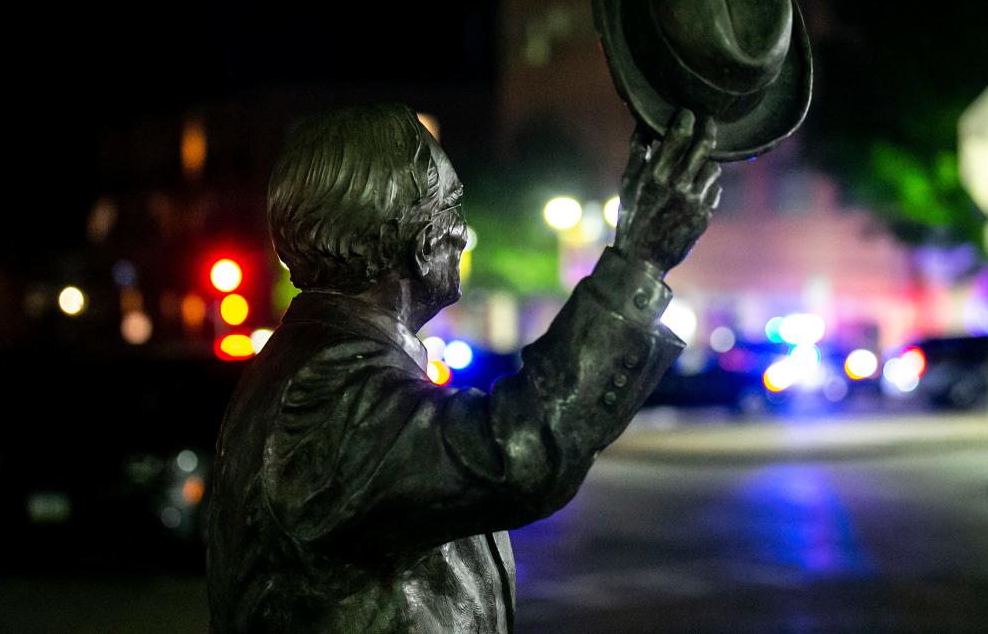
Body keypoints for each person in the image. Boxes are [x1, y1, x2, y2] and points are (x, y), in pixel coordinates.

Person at [206, 103, 719, 633]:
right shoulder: (321, 392)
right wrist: (639, 261)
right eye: (450, 208)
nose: (461, 233)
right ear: (407, 236)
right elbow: (519, 448)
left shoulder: (326, 363)